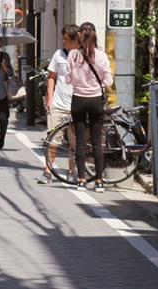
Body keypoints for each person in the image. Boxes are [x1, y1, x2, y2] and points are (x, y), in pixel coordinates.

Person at [65, 22, 113, 192]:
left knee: (79, 142)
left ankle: (81, 180)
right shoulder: (101, 56)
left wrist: (79, 81)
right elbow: (109, 81)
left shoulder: (73, 55)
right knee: (97, 142)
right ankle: (99, 181)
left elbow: (67, 79)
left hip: (78, 99)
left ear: (80, 36)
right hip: (95, 100)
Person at [38, 24, 80, 185]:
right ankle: (47, 171)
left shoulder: (83, 56)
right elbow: (51, 77)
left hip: (77, 105)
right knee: (52, 140)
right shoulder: (58, 55)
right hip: (59, 105)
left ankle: (72, 172)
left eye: (66, 39)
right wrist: (50, 98)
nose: (63, 41)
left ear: (76, 40)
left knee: (75, 142)